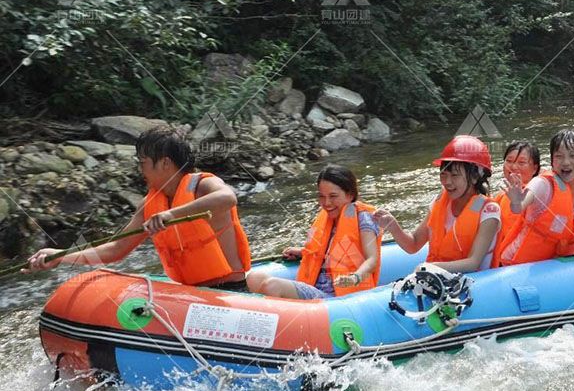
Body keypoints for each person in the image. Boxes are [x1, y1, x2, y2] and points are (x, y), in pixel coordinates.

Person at [26, 127, 251, 290]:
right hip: (190, 294)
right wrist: (61, 256)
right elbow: (116, 249)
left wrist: (171, 214)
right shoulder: (149, 204)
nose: (139, 169)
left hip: (230, 290)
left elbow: (228, 197)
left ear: (164, 163)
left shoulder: (202, 185)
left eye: (142, 162)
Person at [247, 165, 381, 299]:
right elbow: (330, 251)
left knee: (272, 286)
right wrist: (302, 252)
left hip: (337, 296)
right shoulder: (330, 216)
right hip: (314, 287)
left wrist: (354, 278)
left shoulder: (364, 218)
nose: (327, 203)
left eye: (333, 196)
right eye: (322, 196)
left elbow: (372, 259)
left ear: (350, 195)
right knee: (253, 278)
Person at [496, 129, 574, 266]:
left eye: (573, 156)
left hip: (555, 267)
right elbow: (519, 206)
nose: (566, 162)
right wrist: (516, 201)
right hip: (518, 266)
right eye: (559, 156)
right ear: (552, 160)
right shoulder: (543, 184)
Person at [374, 136, 501, 273]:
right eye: (444, 174)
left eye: (454, 175)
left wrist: (430, 268)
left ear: (475, 177)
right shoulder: (440, 202)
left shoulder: (488, 211)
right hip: (437, 278)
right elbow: (414, 244)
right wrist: (393, 226)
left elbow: (473, 263)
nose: (447, 181)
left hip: (473, 283)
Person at [495, 141, 541, 243]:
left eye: (521, 162)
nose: (514, 167)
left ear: (535, 168)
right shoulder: (500, 197)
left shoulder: (540, 192)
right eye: (509, 161)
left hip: (531, 256)